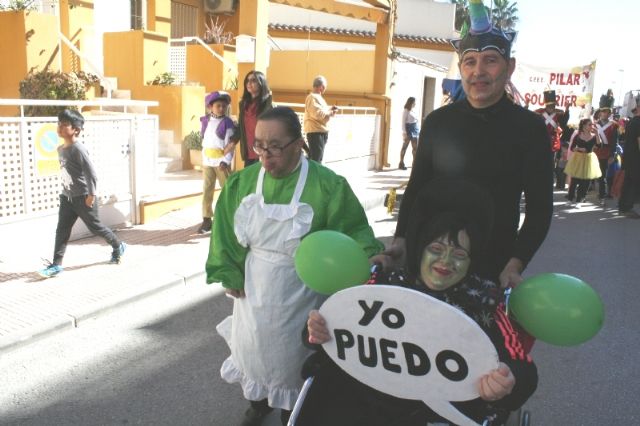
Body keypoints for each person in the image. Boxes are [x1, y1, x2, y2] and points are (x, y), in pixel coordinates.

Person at [295, 179, 538, 426]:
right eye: (436, 249)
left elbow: (521, 365)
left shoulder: (485, 304)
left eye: (459, 254)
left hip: (442, 412)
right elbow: (331, 327)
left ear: (471, 260)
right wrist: (316, 331)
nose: (445, 262)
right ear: (420, 249)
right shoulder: (383, 287)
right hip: (368, 401)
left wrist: (509, 381)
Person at [206, 106, 383, 426]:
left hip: (303, 290)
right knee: (253, 350)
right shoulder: (242, 183)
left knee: (294, 356)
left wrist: (369, 255)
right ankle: (257, 403)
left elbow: (352, 230)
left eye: (275, 146)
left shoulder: (328, 184)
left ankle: (295, 410)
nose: (265, 155)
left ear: (299, 143)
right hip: (254, 286)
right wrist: (229, 270)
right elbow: (224, 229)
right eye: (259, 145)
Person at [378, 2, 553, 288]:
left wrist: (516, 262)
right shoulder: (437, 121)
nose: (478, 71)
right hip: (428, 262)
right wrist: (401, 241)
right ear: (461, 68)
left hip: (491, 266)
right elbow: (416, 187)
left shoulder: (529, 129)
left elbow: (540, 209)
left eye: (490, 60)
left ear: (509, 67)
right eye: (470, 61)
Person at [38, 109, 126, 278]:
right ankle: (56, 265)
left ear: (76, 129)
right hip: (67, 197)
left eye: (64, 125)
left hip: (83, 197)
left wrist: (91, 195)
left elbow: (91, 173)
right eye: (59, 124)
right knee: (62, 230)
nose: (60, 127)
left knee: (96, 228)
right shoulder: (60, 149)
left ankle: (117, 245)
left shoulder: (78, 149)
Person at [198, 91, 236, 234]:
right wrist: (204, 159)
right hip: (208, 162)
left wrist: (226, 161)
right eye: (218, 106)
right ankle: (207, 219)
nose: (221, 108)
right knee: (207, 189)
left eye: (224, 106)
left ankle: (229, 218)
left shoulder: (227, 123)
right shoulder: (206, 121)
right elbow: (205, 142)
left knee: (227, 190)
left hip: (221, 162)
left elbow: (230, 144)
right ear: (210, 107)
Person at [234, 70, 273, 168]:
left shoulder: (268, 104)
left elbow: (272, 129)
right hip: (248, 151)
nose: (249, 83)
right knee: (250, 181)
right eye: (247, 81)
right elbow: (241, 128)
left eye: (253, 80)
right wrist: (231, 143)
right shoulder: (243, 105)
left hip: (263, 151)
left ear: (261, 83)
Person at [564, 118, 602, 205]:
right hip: (578, 158)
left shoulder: (593, 136)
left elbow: (599, 146)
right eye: (589, 124)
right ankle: (570, 198)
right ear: (584, 126)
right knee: (574, 180)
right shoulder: (578, 135)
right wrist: (577, 148)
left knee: (585, 181)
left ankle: (580, 199)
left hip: (589, 159)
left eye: (592, 124)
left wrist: (597, 134)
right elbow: (572, 147)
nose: (591, 126)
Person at [303, 75, 338, 163]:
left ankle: (314, 175)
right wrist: (330, 112)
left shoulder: (317, 98)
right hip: (315, 132)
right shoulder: (312, 97)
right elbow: (317, 114)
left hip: (320, 131)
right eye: (325, 87)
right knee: (316, 160)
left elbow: (321, 112)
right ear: (321, 87)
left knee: (318, 158)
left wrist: (330, 110)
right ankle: (313, 176)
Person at [618, 98, 640, 218]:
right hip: (635, 159)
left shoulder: (631, 122)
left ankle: (623, 206)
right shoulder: (638, 122)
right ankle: (626, 208)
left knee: (628, 182)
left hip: (629, 157)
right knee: (631, 183)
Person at [593, 107, 619, 199]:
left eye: (607, 113)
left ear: (609, 114)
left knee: (603, 174)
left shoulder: (613, 125)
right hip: (595, 152)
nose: (605, 114)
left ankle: (602, 193)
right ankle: (591, 187)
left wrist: (612, 155)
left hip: (606, 152)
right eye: (603, 112)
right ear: (600, 113)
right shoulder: (594, 125)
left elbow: (614, 141)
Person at [534, 89, 569, 154]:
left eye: (552, 105)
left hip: (552, 142)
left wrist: (567, 110)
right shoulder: (539, 112)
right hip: (540, 139)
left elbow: (564, 121)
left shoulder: (559, 113)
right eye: (549, 106)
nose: (551, 107)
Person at [399, 96, 419, 170]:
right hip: (408, 130)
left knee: (415, 148)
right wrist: (404, 132)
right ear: (411, 102)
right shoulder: (406, 110)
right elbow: (403, 122)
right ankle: (401, 163)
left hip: (415, 130)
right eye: (414, 102)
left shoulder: (413, 110)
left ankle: (414, 164)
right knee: (405, 147)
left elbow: (415, 120)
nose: (415, 104)